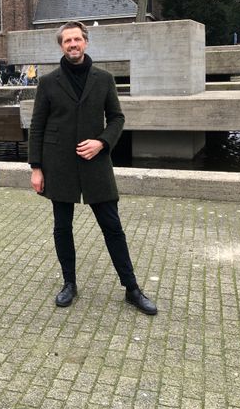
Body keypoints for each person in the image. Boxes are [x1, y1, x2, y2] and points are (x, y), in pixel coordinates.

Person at [28, 21, 157, 316]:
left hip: (95, 162)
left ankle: (132, 288)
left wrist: (102, 143)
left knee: (112, 227)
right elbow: (37, 126)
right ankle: (69, 284)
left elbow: (117, 118)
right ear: (61, 46)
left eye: (77, 39)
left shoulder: (104, 79)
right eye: (67, 41)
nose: (72, 45)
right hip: (58, 163)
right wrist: (36, 167)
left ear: (86, 42)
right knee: (62, 227)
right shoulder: (48, 82)